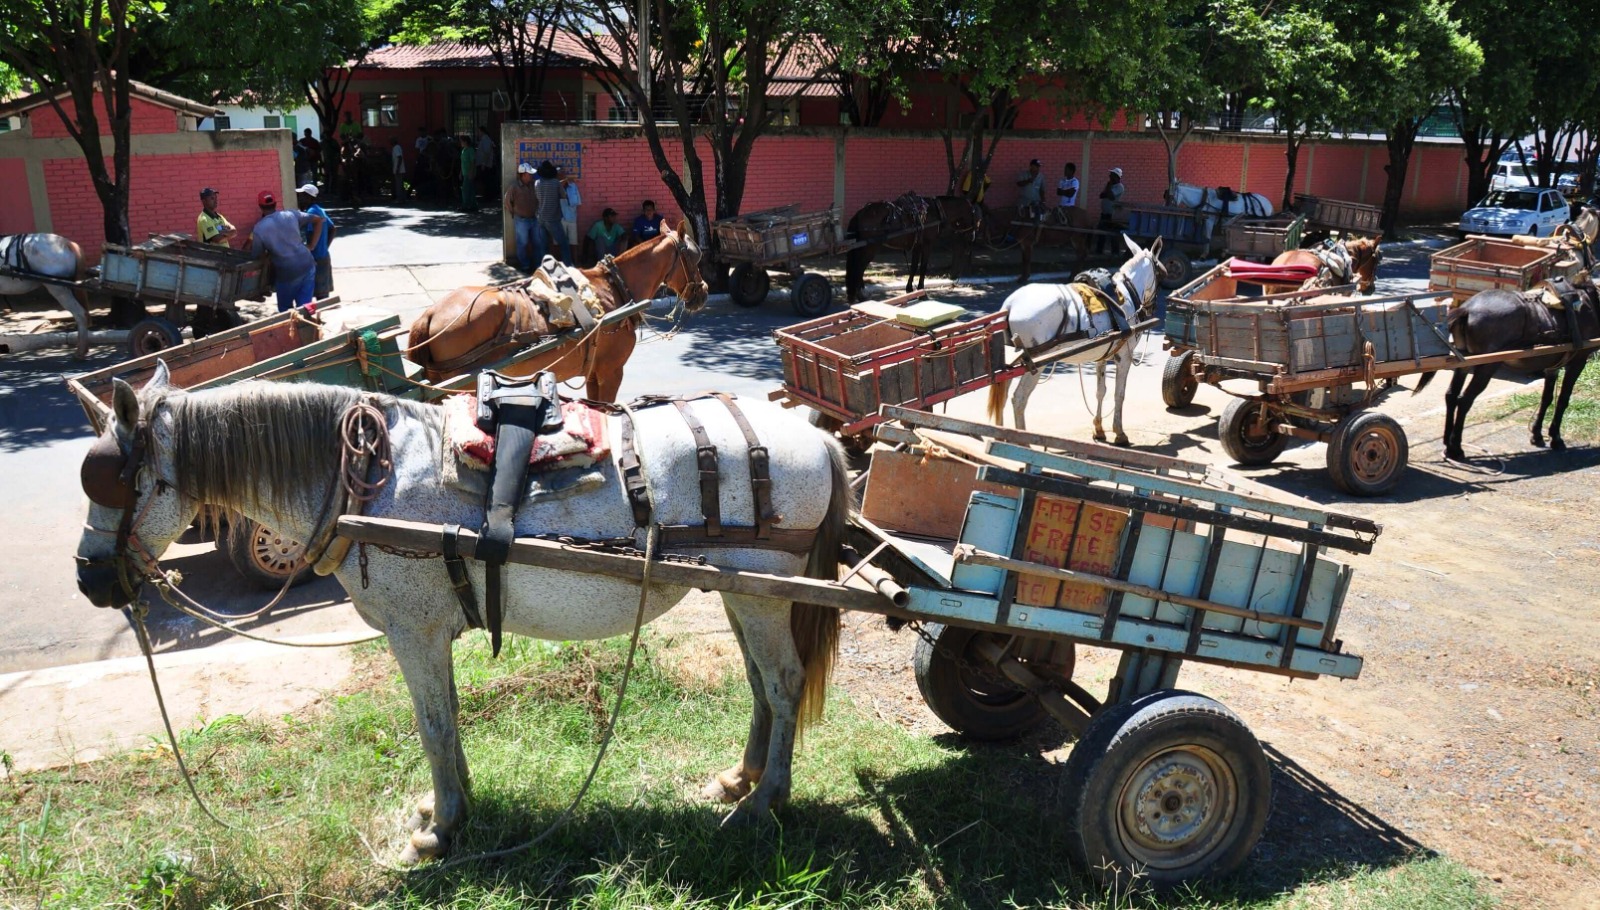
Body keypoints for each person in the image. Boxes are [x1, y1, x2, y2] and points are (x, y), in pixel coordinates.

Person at [244, 190, 324, 312]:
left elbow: (258, 256)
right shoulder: (291, 214)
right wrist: (311, 245)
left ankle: (292, 328)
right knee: (306, 308)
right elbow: (319, 220)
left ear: (260, 206)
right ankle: (307, 328)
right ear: (276, 203)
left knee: (286, 310)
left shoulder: (259, 229)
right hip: (307, 265)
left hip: (287, 273)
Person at [295, 183, 336, 299]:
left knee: (317, 294)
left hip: (316, 258)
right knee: (322, 293)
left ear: (308, 197)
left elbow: (312, 232)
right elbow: (333, 228)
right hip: (323, 256)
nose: (299, 198)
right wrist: (324, 247)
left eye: (301, 196)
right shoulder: (319, 209)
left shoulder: (311, 213)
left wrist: (311, 246)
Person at [504, 162, 541, 272]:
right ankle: (525, 264)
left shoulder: (534, 185)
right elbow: (507, 202)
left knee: (537, 242)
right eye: (529, 174)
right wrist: (514, 213)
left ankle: (537, 264)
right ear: (523, 174)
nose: (531, 176)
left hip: (534, 219)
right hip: (521, 220)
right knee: (522, 243)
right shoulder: (514, 187)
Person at [533, 160, 570, 265]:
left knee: (544, 246)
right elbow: (564, 196)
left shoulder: (537, 183)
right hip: (553, 218)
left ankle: (545, 267)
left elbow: (538, 197)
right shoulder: (555, 183)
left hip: (540, 218)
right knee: (564, 244)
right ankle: (568, 266)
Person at [1096, 166, 1125, 255]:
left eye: (1111, 175)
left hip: (1112, 214)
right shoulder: (1109, 186)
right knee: (1101, 232)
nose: (1109, 177)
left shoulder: (1120, 187)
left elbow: (1111, 196)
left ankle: (1115, 252)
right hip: (1104, 213)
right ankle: (1099, 251)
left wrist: (1108, 188)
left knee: (1113, 234)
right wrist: (1107, 189)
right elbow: (1102, 195)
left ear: (1116, 177)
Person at [558, 168, 581, 265]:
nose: (562, 177)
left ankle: (575, 263)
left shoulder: (573, 186)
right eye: (559, 175)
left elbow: (578, 201)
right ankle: (560, 263)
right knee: (559, 242)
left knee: (573, 242)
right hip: (560, 218)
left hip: (571, 217)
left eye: (563, 175)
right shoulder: (555, 187)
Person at [476, 125, 496, 201]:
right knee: (485, 181)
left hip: (485, 165)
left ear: (481, 131)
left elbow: (486, 152)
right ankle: (487, 196)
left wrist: (484, 163)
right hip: (484, 164)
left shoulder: (486, 139)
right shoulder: (484, 139)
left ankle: (488, 197)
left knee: (487, 181)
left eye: (478, 131)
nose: (477, 133)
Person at [458, 135, 477, 212]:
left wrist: (471, 172)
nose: (460, 143)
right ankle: (473, 205)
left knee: (465, 190)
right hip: (464, 172)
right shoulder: (463, 150)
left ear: (465, 141)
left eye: (461, 141)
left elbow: (473, 162)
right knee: (471, 189)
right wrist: (460, 172)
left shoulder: (470, 150)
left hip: (469, 173)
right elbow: (462, 162)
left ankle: (465, 205)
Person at [390, 136, 406, 200]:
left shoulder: (396, 148)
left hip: (398, 169)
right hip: (400, 169)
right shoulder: (398, 147)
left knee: (398, 185)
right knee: (400, 184)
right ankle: (402, 198)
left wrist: (397, 168)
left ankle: (399, 199)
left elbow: (399, 157)